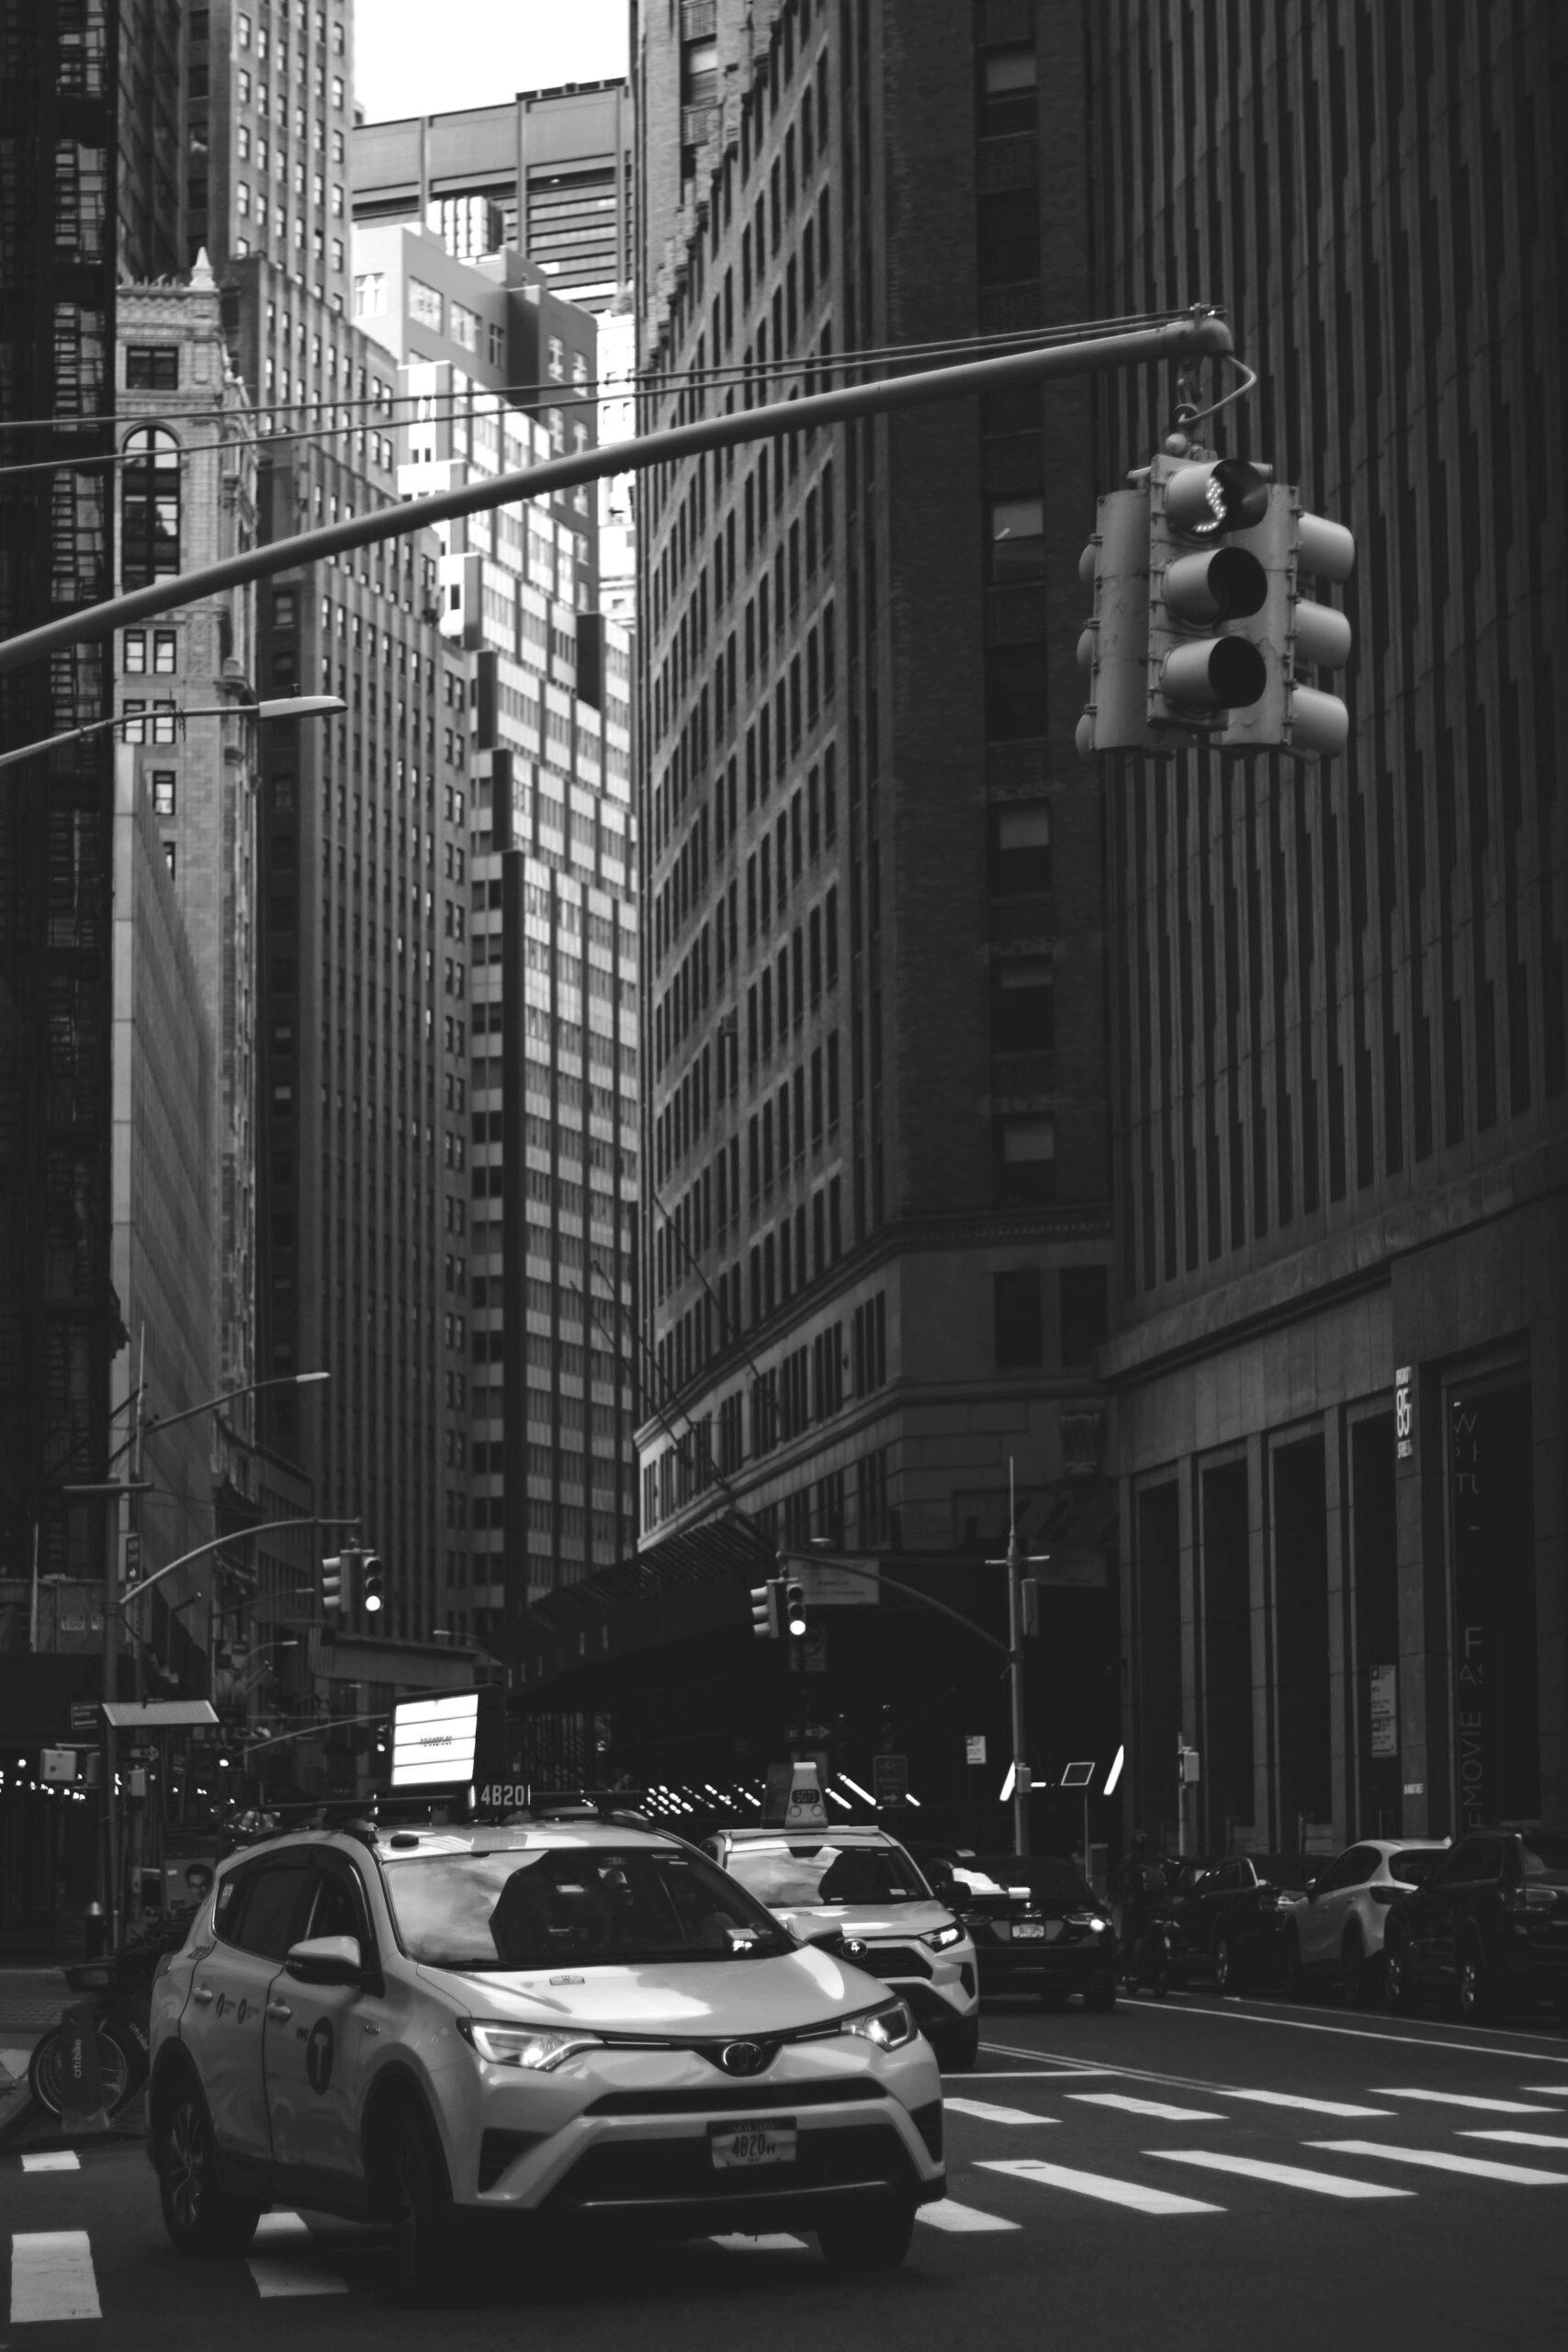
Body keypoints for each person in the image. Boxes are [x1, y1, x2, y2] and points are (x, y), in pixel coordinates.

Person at [1111, 1832, 1168, 1986]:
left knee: (1136, 1937)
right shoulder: (1157, 1858)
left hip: (1138, 1904)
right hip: (1158, 1904)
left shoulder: (1130, 1859)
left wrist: (1121, 1892)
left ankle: (1133, 1973)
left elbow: (1117, 1876)